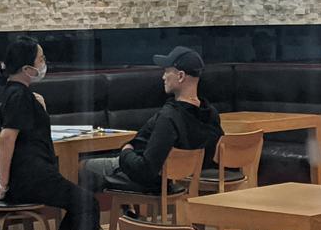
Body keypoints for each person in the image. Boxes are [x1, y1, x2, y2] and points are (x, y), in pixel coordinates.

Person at [0, 36, 126, 230]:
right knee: (88, 204)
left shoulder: (21, 94)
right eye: (40, 59)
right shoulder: (18, 96)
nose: (44, 63)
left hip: (37, 172)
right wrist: (3, 184)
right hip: (31, 176)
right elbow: (7, 139)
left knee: (80, 204)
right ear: (27, 68)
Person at [80, 46, 224, 196]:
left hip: (152, 178)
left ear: (180, 76)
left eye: (166, 71)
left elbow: (146, 169)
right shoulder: (211, 114)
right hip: (179, 176)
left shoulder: (169, 117)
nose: (163, 77)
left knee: (84, 166)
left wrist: (126, 152)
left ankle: (92, 217)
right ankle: (128, 212)